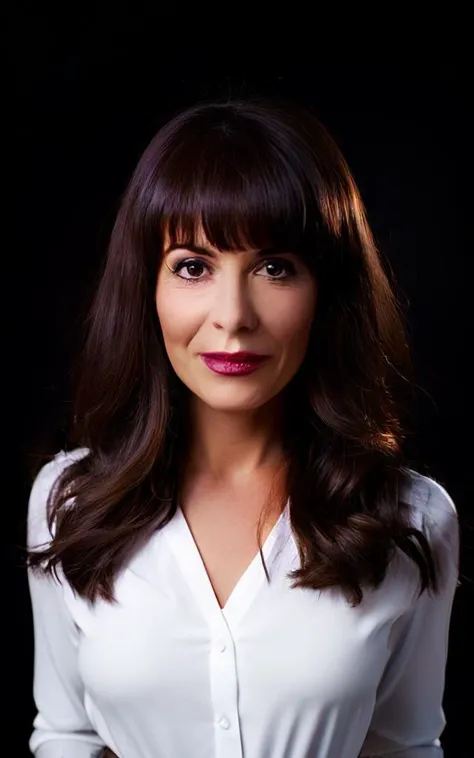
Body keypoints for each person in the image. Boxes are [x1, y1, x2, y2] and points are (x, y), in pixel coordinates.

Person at [26, 98, 460, 758]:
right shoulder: (68, 503)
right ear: (148, 287)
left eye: (274, 267)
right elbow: (66, 736)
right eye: (193, 267)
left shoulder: (411, 519)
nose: (233, 315)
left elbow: (405, 745)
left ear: (325, 290)